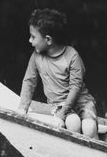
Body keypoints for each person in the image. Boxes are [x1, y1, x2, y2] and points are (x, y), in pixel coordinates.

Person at [18, 8, 98, 139]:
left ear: (48, 40)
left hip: (82, 102)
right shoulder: (36, 56)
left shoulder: (72, 56)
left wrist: (62, 116)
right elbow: (29, 81)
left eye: (33, 37)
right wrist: (23, 108)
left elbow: (75, 87)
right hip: (59, 105)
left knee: (89, 128)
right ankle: (76, 152)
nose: (30, 41)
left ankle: (97, 153)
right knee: (73, 123)